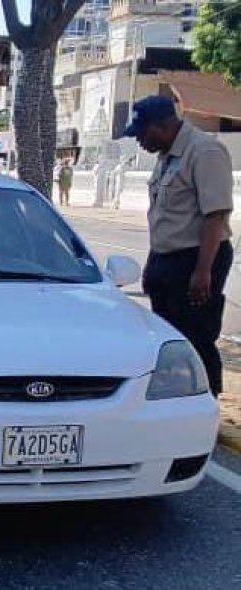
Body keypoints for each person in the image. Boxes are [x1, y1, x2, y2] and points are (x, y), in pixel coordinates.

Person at [126, 95, 235, 396]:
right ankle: (175, 398)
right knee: (167, 340)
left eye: (142, 134)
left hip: (198, 258)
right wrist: (153, 264)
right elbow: (163, 218)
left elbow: (215, 215)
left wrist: (203, 272)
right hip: (167, 259)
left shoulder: (205, 151)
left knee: (197, 337)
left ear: (162, 126)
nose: (139, 142)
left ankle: (206, 402)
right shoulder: (167, 155)